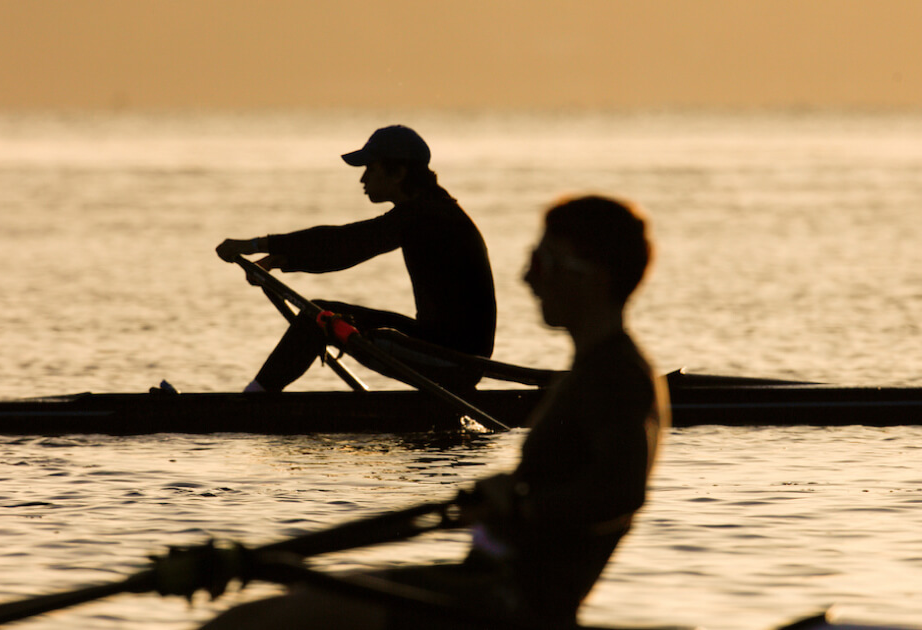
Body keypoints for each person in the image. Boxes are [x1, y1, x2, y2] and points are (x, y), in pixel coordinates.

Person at [199, 195, 670, 629]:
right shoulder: (594, 370)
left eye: (541, 262)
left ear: (594, 275)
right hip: (485, 582)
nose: (527, 278)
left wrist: (521, 504)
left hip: (509, 603)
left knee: (247, 625)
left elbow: (621, 493)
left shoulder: (617, 376)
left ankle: (254, 400)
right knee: (252, 614)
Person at [216, 125, 497, 393]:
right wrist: (281, 259)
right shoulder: (430, 210)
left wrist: (256, 244)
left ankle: (252, 402)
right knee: (321, 314)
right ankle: (257, 397)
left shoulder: (430, 217)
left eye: (370, 169)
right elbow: (344, 248)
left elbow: (347, 244)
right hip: (441, 346)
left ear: (398, 172)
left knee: (320, 319)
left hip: (456, 361)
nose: (363, 179)